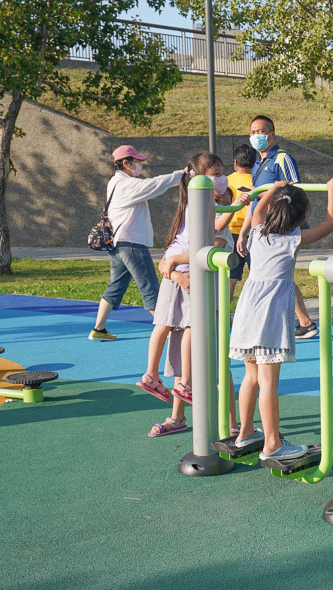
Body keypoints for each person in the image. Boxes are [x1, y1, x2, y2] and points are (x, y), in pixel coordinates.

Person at [228, 179, 333, 460]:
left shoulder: (257, 230)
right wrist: (332, 190)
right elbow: (330, 223)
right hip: (270, 315)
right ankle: (272, 444)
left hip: (247, 310)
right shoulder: (293, 239)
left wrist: (272, 188)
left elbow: (257, 209)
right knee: (268, 382)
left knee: (251, 377)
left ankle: (245, 432)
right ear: (301, 219)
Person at [136, 153, 235, 435]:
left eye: (222, 174)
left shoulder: (210, 213)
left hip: (204, 288)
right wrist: (176, 270)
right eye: (215, 174)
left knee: (215, 362)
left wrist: (173, 264)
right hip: (186, 283)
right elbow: (173, 254)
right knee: (182, 350)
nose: (221, 179)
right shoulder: (194, 208)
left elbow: (211, 241)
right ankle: (177, 413)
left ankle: (232, 422)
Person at [89, 146, 185, 341]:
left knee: (116, 286)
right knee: (149, 286)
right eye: (137, 162)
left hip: (118, 243)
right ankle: (168, 330)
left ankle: (99, 329)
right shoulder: (126, 185)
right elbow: (154, 185)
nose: (140, 166)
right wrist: (181, 174)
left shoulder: (115, 183)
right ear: (126, 163)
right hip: (132, 243)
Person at [238, 114, 318, 340]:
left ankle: (302, 321)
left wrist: (268, 193)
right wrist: (244, 232)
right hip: (264, 230)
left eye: (261, 132)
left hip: (282, 228)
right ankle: (304, 321)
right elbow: (255, 202)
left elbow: (295, 192)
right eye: (253, 132)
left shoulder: (282, 159)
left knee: (277, 274)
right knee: (273, 274)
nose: (257, 136)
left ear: (272, 134)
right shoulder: (257, 162)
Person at [220, 143, 257, 300]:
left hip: (232, 233)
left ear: (235, 162)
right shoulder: (258, 182)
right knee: (259, 275)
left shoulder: (226, 181)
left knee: (231, 278)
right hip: (253, 233)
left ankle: (223, 315)